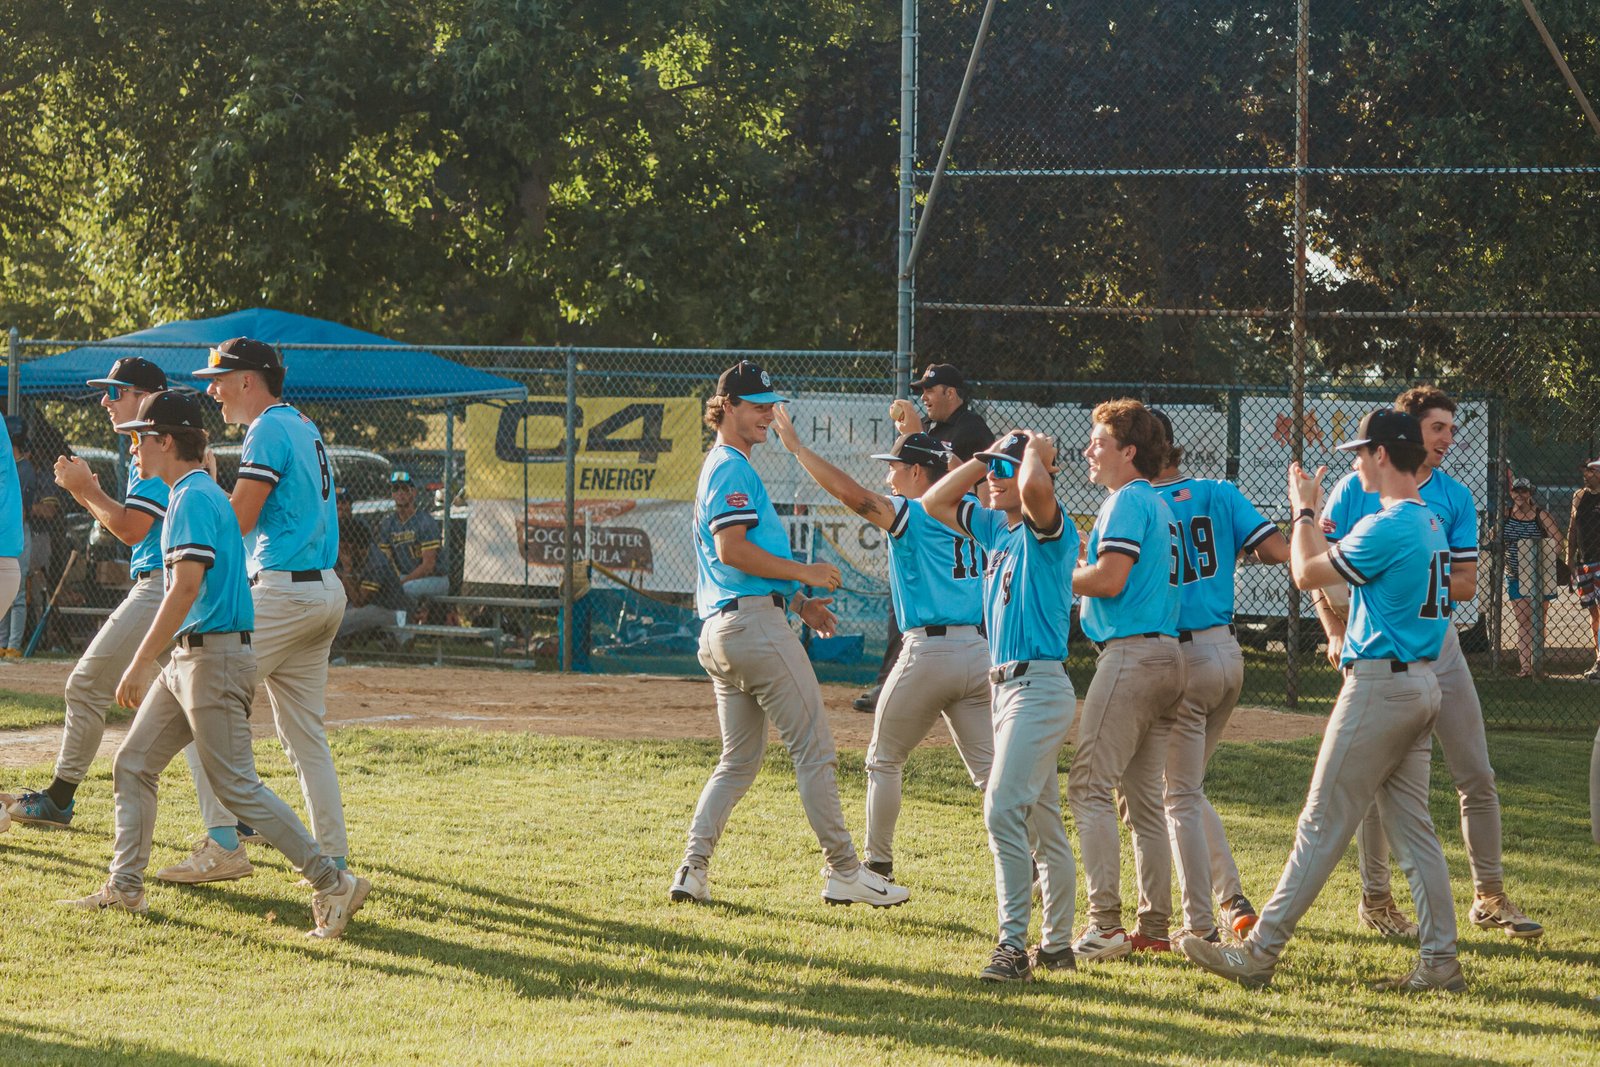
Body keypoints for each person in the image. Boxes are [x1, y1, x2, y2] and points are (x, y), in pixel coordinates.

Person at [59, 389, 369, 937]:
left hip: (214, 658)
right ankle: (125, 887)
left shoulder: (193, 497)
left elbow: (184, 589)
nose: (133, 449)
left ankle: (332, 881)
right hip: (192, 656)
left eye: (140, 439)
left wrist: (139, 661)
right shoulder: (190, 492)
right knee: (133, 763)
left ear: (166, 441)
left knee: (237, 788)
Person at [1180, 408, 1465, 992]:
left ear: (1382, 454)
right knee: (1415, 833)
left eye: (1360, 454)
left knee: (1319, 821)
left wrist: (1304, 511)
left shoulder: (1391, 523)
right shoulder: (1428, 519)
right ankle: (1440, 961)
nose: (1356, 465)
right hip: (1418, 682)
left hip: (1382, 686)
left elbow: (1306, 572)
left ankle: (1259, 952)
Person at [669, 361, 907, 909]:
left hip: (725, 629)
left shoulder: (725, 465)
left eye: (771, 406)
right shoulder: (730, 466)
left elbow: (737, 564)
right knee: (815, 750)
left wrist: (798, 603)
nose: (768, 416)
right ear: (727, 406)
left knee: (737, 762)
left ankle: (693, 869)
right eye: (757, 406)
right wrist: (804, 573)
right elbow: (732, 550)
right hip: (751, 628)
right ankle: (844, 870)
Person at [1316, 386, 1542, 940]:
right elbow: (1320, 570)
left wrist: (1403, 575)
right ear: (1406, 432)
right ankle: (1377, 899)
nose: (1448, 438)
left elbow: (1464, 583)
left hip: (1439, 647)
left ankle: (1490, 896)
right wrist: (1335, 629)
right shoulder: (1355, 488)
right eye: (1438, 427)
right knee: (1375, 781)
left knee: (1477, 774)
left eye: (1451, 428)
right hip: (1377, 648)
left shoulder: (1454, 497)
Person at [770, 409, 992, 886]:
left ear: (917, 474)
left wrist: (798, 449)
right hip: (978, 651)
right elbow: (948, 469)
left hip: (928, 653)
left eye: (895, 467)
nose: (887, 476)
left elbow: (852, 495)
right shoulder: (970, 508)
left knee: (884, 759)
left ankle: (877, 866)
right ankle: (1031, 862)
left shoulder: (914, 512)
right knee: (991, 774)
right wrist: (916, 433)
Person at [168, 336, 351, 877]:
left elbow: (238, 523)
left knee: (198, 696)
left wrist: (198, 495)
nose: (212, 390)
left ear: (248, 380)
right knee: (304, 737)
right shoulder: (299, 423)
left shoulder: (267, 427)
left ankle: (224, 843)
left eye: (219, 379)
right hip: (320, 590)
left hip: (284, 593)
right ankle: (334, 858)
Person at [3, 359, 190, 838]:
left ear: (146, 396)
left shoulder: (153, 445)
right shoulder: (158, 443)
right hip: (172, 581)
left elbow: (131, 529)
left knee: (86, 687)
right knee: (191, 707)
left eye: (117, 391)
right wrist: (84, 493)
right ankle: (238, 819)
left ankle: (59, 799)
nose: (106, 400)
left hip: (162, 584)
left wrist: (86, 489)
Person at [925, 429, 1080, 983]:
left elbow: (1036, 489)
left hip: (1037, 686)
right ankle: (1057, 946)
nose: (994, 478)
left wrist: (1034, 451)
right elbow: (934, 501)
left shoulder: (1047, 529)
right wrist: (984, 458)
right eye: (992, 469)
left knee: (1000, 809)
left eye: (1003, 469)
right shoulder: (996, 528)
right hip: (1006, 689)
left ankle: (1012, 947)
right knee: (1043, 823)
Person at [1149, 409, 1290, 943]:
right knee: (1182, 788)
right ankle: (1228, 900)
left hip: (1181, 657)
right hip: (1228, 654)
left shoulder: (1138, 503)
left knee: (1177, 793)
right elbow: (1275, 551)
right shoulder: (1218, 491)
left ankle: (1218, 909)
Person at [1068, 399, 1186, 962]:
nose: (1088, 451)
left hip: (1132, 656)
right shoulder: (1155, 502)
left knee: (1088, 787)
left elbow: (1110, 579)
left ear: (1129, 450)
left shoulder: (1126, 500)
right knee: (1143, 804)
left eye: (1098, 442)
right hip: (1166, 654)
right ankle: (1154, 927)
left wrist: (1058, 573)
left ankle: (1105, 925)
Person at [854, 363, 993, 713]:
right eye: (922, 390)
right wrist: (916, 435)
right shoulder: (931, 429)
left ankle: (973, 684)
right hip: (922, 532)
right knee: (902, 607)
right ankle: (891, 681)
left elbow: (978, 481)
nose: (924, 397)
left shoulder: (971, 428)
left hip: (952, 533)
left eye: (930, 389)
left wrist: (921, 437)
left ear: (951, 392)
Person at [1499, 476, 1564, 677]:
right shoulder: (1506, 514)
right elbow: (1495, 536)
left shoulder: (1540, 514)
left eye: (1524, 491)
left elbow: (1558, 540)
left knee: (1538, 620)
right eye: (1516, 491)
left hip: (1539, 574)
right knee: (1523, 620)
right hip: (1515, 573)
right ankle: (1525, 667)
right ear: (1511, 493)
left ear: (1530, 493)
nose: (1519, 494)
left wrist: (1545, 559)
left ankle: (1536, 665)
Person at [374, 470, 446, 602]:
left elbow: (428, 566)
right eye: (396, 489)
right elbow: (385, 560)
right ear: (392, 494)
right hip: (405, 577)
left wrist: (401, 582)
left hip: (434, 579)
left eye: (405, 488)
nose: (400, 492)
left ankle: (407, 615)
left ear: (413, 492)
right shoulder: (388, 523)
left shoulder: (425, 522)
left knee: (404, 589)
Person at [1566, 459, 1600, 682]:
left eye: (1591, 471)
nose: (1586, 475)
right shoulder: (1579, 496)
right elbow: (1572, 527)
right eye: (1585, 471)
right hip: (1584, 562)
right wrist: (1569, 557)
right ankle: (1599, 658)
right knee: (1593, 613)